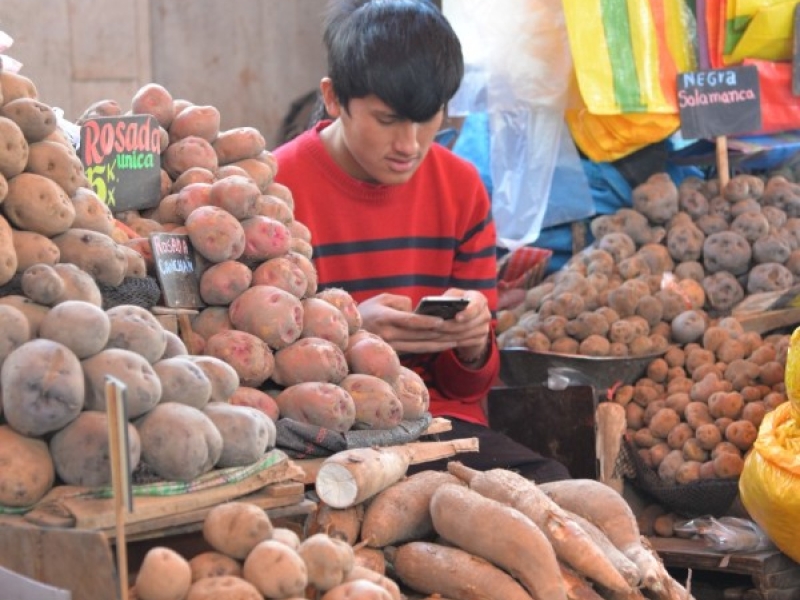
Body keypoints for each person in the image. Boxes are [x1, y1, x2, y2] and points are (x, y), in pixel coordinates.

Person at [272, 0, 570, 482]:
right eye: (387, 120)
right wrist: (349, 333)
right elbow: (262, 367)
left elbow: (470, 385)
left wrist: (473, 342)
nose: (409, 144)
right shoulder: (278, 189)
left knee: (559, 488)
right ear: (333, 98)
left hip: (441, 426)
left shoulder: (461, 187)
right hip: (322, 437)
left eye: (428, 117)